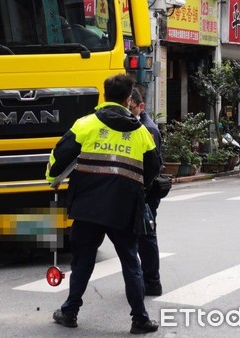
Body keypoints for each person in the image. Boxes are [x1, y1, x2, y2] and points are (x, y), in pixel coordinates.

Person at [46, 74, 161, 334]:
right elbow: (154, 167)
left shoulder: (85, 124)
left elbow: (60, 155)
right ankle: (139, 319)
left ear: (104, 94)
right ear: (128, 98)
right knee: (131, 262)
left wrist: (52, 178)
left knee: (82, 261)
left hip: (87, 207)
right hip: (123, 208)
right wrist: (138, 187)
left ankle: (70, 311)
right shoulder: (141, 132)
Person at [130, 87, 164, 297]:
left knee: (146, 236)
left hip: (146, 192)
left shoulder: (148, 129)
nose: (128, 111)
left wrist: (141, 191)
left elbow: (152, 165)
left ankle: (152, 281)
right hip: (139, 190)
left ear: (140, 107)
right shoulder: (135, 126)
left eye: (131, 108)